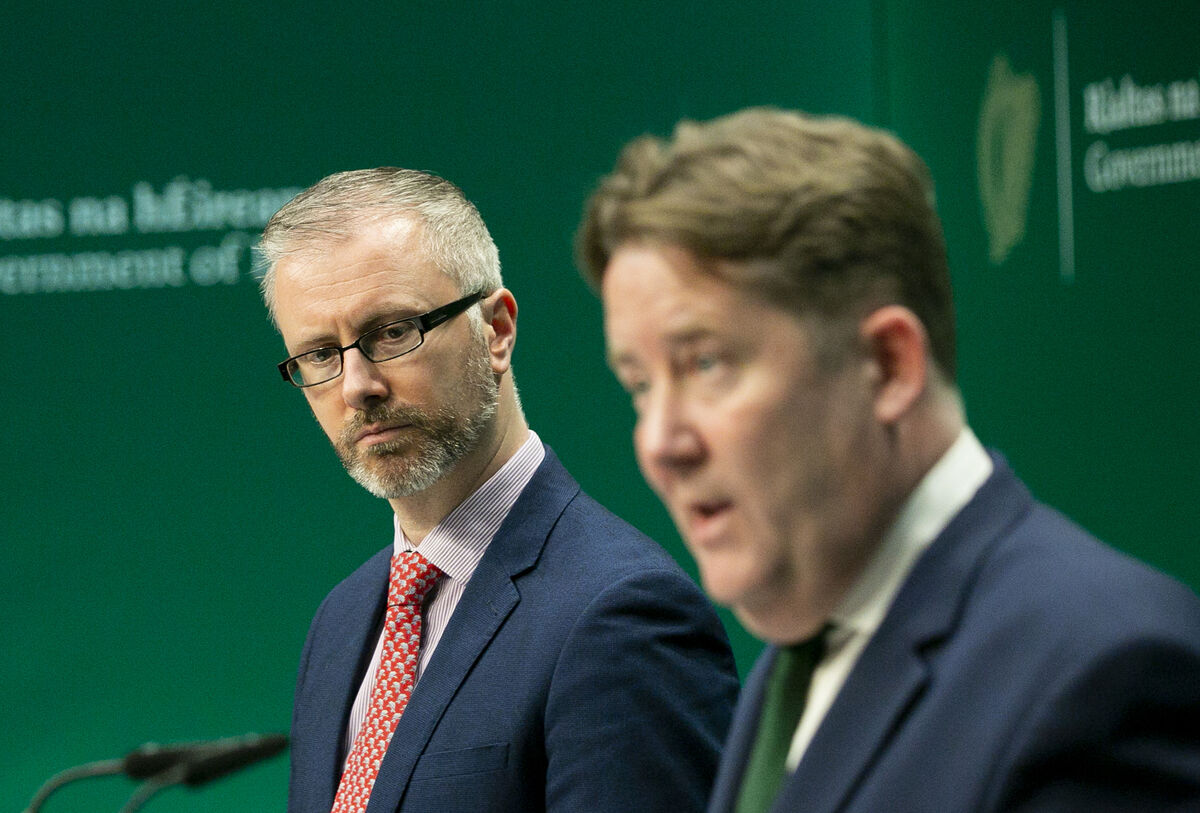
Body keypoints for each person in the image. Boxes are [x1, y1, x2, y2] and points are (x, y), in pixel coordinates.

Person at [578, 107, 1200, 812]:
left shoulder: (1106, 676)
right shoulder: (795, 665)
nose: (660, 441)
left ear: (889, 363)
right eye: (638, 383)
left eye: (707, 362)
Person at [258, 167, 738, 813]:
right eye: (320, 353)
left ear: (497, 331)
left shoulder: (622, 615)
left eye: (394, 332)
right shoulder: (340, 623)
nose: (357, 386)